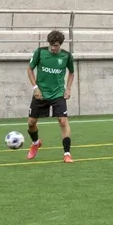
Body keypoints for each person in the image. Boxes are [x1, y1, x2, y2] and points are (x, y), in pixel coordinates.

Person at [24, 30, 76, 162]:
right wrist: (35, 87)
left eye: (56, 45)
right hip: (41, 93)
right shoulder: (40, 52)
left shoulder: (67, 56)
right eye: (51, 45)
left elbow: (71, 72)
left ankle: (67, 154)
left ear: (61, 45)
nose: (53, 48)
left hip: (58, 93)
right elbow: (30, 69)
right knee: (31, 123)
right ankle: (36, 143)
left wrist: (68, 88)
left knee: (63, 121)